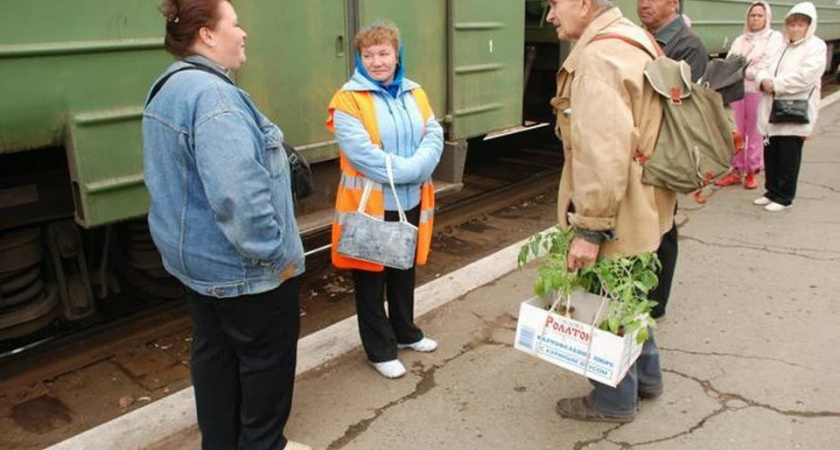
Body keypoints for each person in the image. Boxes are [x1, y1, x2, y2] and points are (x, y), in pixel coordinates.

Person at [142, 1, 309, 449]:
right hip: (246, 274)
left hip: (200, 267)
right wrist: (272, 256)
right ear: (208, 35)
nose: (244, 33)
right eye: (235, 24)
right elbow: (239, 194)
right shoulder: (215, 97)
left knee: (214, 358)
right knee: (265, 371)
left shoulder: (168, 87)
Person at [545, 0, 677, 422]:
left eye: (554, 3)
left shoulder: (599, 59)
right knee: (630, 293)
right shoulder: (634, 38)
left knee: (605, 298)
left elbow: (601, 155)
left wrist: (590, 231)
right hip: (647, 198)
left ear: (583, 4)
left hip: (619, 207)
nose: (549, 15)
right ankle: (648, 377)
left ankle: (613, 399)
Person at [326, 23, 444, 379]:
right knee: (370, 278)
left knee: (403, 270)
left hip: (409, 200)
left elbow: (434, 133)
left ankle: (405, 332)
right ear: (360, 59)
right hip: (370, 204)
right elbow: (362, 155)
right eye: (368, 55)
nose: (377, 61)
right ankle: (379, 349)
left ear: (397, 55)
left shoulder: (415, 92)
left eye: (383, 53)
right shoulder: (347, 100)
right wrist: (413, 169)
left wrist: (417, 166)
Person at [637, 0, 707, 319]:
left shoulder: (688, 45)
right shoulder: (643, 36)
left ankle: (656, 301)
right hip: (644, 146)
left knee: (664, 224)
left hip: (666, 148)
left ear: (674, 4)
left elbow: (682, 104)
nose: (643, 4)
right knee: (648, 220)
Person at [754, 2, 827, 211]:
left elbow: (805, 77)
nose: (795, 29)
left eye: (800, 25)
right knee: (772, 151)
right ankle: (772, 190)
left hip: (794, 109)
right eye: (792, 24)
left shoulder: (816, 47)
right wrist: (762, 80)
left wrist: (774, 84)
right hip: (772, 107)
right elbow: (763, 66)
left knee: (788, 153)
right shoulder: (781, 45)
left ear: (809, 26)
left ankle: (785, 196)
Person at [715, 2, 784, 189]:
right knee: (736, 131)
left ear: (766, 18)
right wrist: (746, 67)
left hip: (757, 91)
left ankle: (752, 170)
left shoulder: (774, 38)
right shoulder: (740, 39)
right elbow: (731, 61)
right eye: (752, 15)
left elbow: (767, 63)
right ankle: (737, 169)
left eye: (760, 16)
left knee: (755, 132)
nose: (755, 19)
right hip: (737, 90)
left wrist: (745, 68)